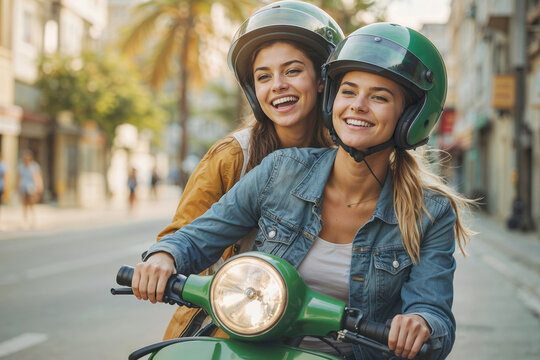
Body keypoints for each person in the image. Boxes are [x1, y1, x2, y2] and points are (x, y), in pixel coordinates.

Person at [133, 23, 475, 359]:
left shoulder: (431, 212)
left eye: (380, 97)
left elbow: (434, 313)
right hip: (256, 350)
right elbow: (196, 236)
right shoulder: (280, 169)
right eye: (349, 91)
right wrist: (165, 256)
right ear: (332, 100)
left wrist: (420, 324)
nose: (358, 105)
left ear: (411, 117)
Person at [153, 0, 344, 340]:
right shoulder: (233, 155)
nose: (278, 85)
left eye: (293, 71)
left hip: (319, 335)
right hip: (230, 327)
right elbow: (182, 235)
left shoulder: (347, 159)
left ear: (321, 79)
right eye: (263, 76)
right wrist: (164, 257)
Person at [18, 149, 43, 226]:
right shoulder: (21, 167)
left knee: (32, 203)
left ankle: (33, 219)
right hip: (23, 187)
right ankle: (25, 219)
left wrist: (40, 187)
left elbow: (38, 177)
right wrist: (17, 187)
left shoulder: (34, 166)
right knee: (24, 204)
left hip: (32, 187)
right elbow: (19, 177)